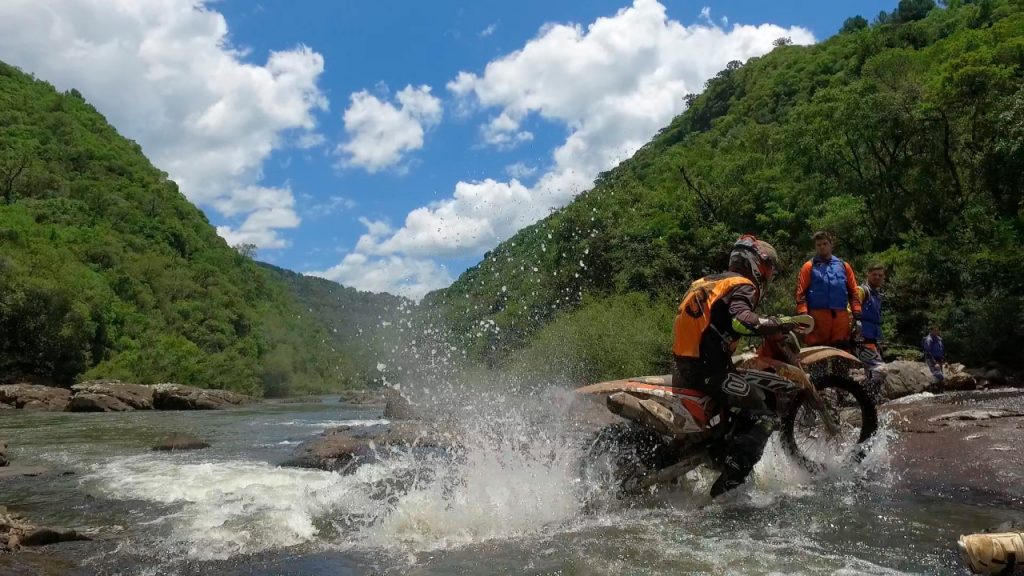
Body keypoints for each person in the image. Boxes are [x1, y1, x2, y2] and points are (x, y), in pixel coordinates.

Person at [672, 235, 798, 497]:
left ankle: (716, 451)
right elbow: (741, 321)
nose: (769, 273)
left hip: (684, 366)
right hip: (710, 370)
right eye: (769, 266)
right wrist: (778, 323)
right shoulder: (743, 285)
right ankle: (730, 482)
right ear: (757, 264)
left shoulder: (705, 281)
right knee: (763, 415)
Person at [795, 231, 862, 348]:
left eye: (825, 243)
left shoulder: (844, 266)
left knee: (842, 350)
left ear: (831, 245)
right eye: (819, 245)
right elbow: (801, 294)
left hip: (841, 318)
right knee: (817, 351)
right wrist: (804, 316)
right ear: (815, 247)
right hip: (818, 318)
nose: (822, 247)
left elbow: (854, 292)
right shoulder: (808, 266)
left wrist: (857, 313)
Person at [855, 264, 886, 403]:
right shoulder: (862, 291)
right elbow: (850, 310)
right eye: (874, 274)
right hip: (861, 340)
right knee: (880, 369)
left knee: (871, 371)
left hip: (872, 339)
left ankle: (871, 401)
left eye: (880, 275)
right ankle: (865, 398)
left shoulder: (877, 296)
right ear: (868, 275)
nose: (877, 277)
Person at [922, 325, 946, 392]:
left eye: (937, 330)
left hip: (939, 359)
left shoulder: (939, 339)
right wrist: (934, 362)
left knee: (941, 376)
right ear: (931, 331)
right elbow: (928, 352)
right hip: (932, 360)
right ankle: (934, 390)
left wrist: (943, 359)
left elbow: (941, 349)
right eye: (935, 330)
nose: (937, 332)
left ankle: (941, 391)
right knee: (938, 375)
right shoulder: (928, 340)